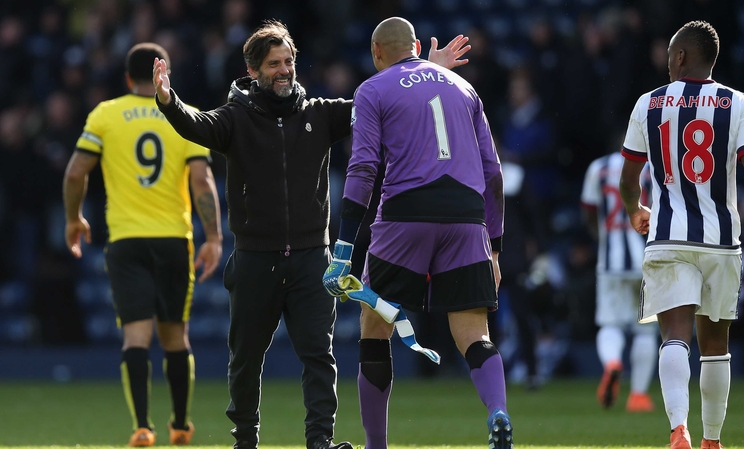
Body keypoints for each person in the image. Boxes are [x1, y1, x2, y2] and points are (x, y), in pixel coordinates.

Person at [152, 19, 470, 449]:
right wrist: (169, 101)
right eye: (274, 64)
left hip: (310, 257)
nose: (284, 70)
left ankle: (320, 440)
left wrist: (421, 71)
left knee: (320, 357)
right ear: (253, 71)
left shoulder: (320, 113)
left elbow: (379, 100)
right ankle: (245, 440)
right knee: (246, 359)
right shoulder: (235, 119)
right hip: (254, 258)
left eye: (288, 61)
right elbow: (197, 125)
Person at [322, 17, 512, 449]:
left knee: (375, 328)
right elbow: (493, 174)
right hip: (466, 218)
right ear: (413, 46)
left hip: (405, 216)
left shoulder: (371, 90)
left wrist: (345, 247)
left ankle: (377, 445)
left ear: (375, 53)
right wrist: (495, 248)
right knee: (474, 335)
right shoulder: (464, 88)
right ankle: (498, 412)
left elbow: (363, 167)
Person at [618, 20, 744, 449]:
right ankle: (713, 441)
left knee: (675, 334)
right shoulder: (738, 103)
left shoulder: (650, 104)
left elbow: (629, 174)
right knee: (715, 346)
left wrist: (633, 208)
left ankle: (679, 429)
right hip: (720, 240)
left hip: (669, 236)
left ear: (679, 57)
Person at [63, 42, 223, 447]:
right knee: (175, 337)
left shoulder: (105, 114)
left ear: (125, 77)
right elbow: (202, 181)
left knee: (135, 336)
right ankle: (181, 425)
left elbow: (75, 171)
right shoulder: (183, 115)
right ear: (161, 72)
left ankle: (141, 427)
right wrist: (215, 236)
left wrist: (73, 218)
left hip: (126, 240)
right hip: (173, 238)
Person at [581, 150, 658, 412]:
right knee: (646, 329)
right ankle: (638, 395)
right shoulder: (656, 167)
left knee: (610, 324)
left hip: (611, 261)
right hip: (649, 258)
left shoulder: (599, 167)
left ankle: (612, 362)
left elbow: (589, 212)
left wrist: (601, 237)